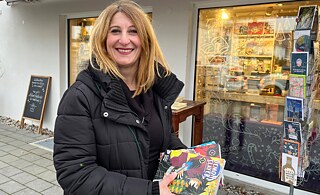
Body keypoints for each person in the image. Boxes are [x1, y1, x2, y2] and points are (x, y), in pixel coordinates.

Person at [53, 0, 187, 194]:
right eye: (115, 31)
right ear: (102, 39)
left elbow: (162, 141)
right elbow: (76, 175)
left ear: (145, 40)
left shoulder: (153, 89)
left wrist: (197, 163)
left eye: (133, 31)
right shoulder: (80, 97)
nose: (124, 40)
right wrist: (150, 191)